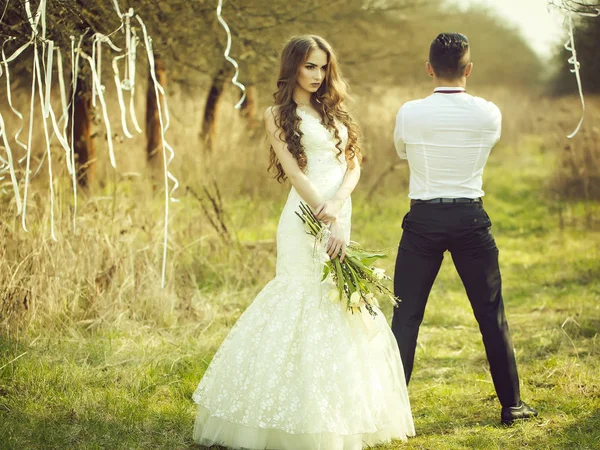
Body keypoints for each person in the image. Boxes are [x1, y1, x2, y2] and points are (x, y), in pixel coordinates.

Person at [192, 35, 415, 449]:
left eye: (322, 67)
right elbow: (295, 173)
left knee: (337, 299)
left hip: (338, 210)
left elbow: (354, 165)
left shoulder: (337, 112)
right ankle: (285, 414)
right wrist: (323, 211)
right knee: (303, 296)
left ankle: (337, 410)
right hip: (304, 217)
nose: (316, 75)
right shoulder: (277, 114)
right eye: (309, 66)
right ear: (293, 66)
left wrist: (339, 207)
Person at [391, 32, 538, 426]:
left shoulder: (409, 112)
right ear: (468, 69)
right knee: (491, 315)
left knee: (405, 317)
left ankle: (391, 409)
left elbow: (401, 151)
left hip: (422, 220)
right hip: (471, 218)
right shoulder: (489, 113)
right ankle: (512, 406)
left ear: (428, 69)